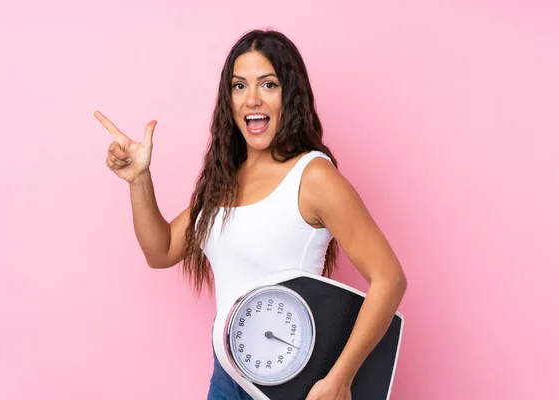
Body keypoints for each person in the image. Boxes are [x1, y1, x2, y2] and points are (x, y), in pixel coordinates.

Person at [95, 29, 407, 400]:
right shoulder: (223, 180)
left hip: (297, 383)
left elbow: (390, 279)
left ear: (290, 95)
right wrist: (139, 179)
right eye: (239, 86)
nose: (252, 99)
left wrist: (340, 379)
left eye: (268, 84)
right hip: (228, 377)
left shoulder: (314, 176)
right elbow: (160, 251)